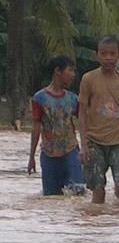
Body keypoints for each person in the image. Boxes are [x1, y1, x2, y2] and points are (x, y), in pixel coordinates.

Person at [77, 35, 119, 204]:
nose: (108, 58)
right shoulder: (88, 79)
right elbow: (82, 112)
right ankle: (97, 226)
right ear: (96, 55)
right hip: (95, 140)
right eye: (104, 53)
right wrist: (83, 145)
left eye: (112, 53)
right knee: (98, 191)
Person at [28, 55, 85, 196]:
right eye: (70, 70)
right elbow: (36, 126)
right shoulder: (39, 98)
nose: (73, 75)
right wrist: (31, 157)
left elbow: (84, 122)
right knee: (51, 198)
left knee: (77, 194)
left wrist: (85, 147)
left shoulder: (73, 99)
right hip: (48, 154)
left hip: (71, 152)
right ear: (58, 71)